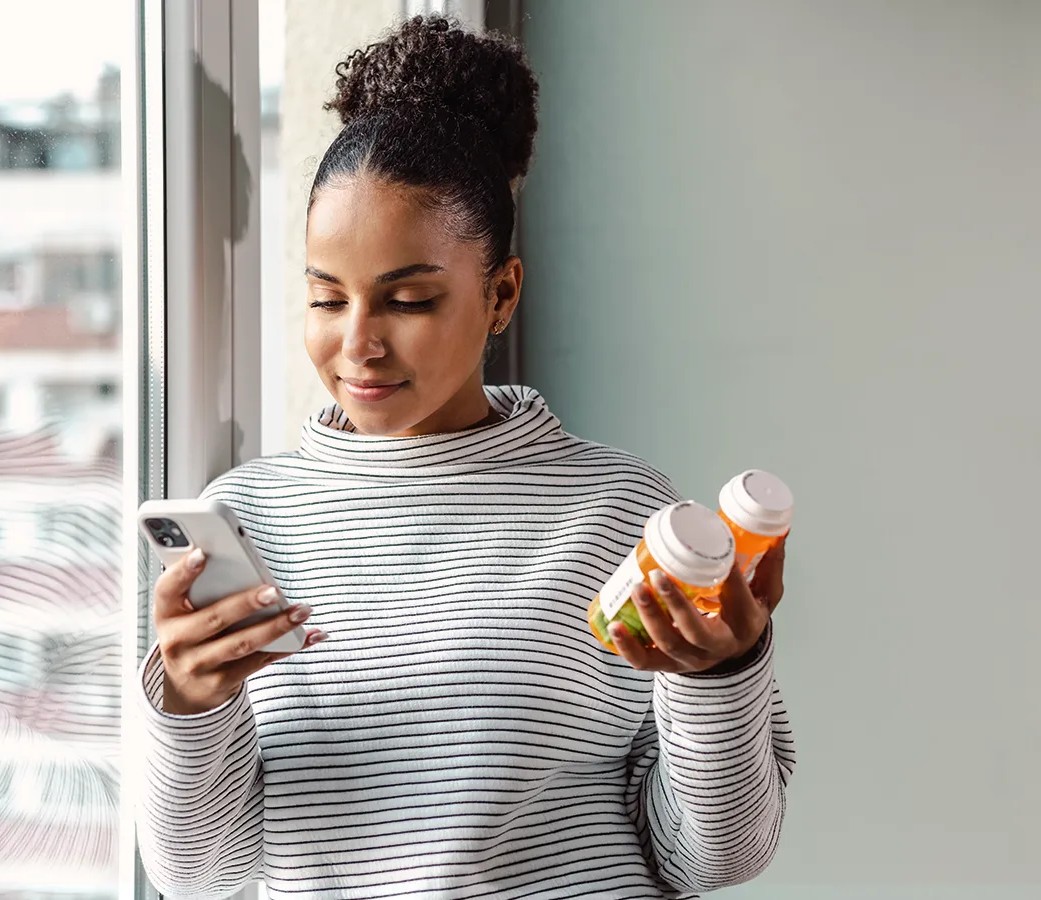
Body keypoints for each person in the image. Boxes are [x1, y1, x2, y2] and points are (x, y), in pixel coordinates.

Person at [136, 15, 795, 900]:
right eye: (327, 298)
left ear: (500, 295)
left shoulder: (616, 511)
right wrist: (190, 705)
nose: (358, 344)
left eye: (407, 299)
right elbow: (200, 880)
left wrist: (721, 677)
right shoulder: (247, 520)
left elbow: (714, 857)